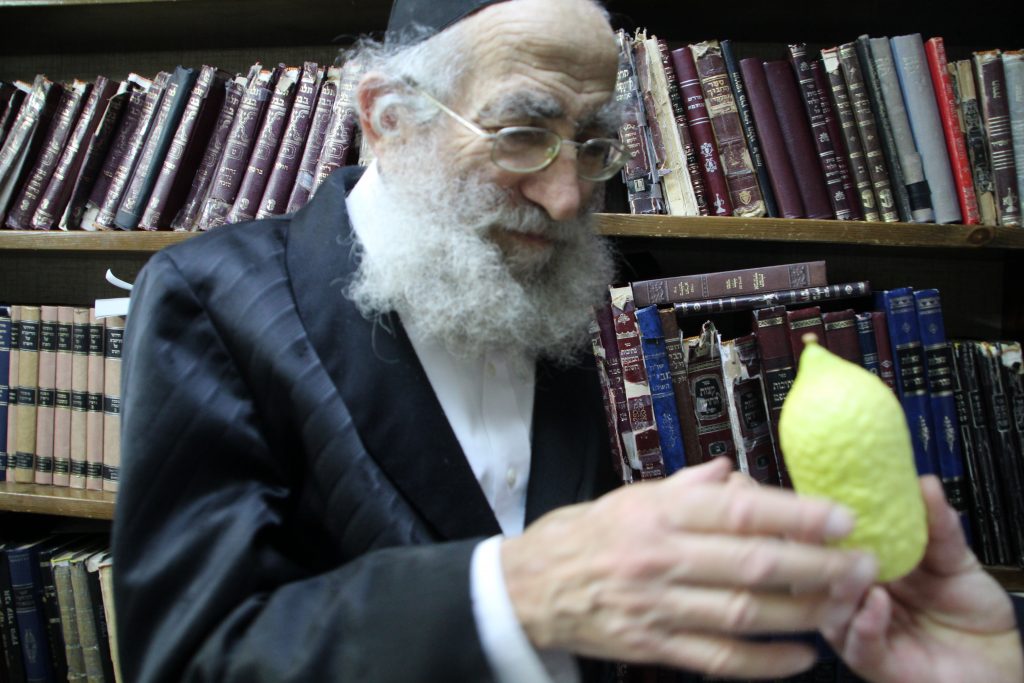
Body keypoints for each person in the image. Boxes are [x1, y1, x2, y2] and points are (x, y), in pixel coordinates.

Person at [111, 0, 1024, 681]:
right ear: (388, 117)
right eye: (522, 133)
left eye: (592, 144)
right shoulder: (210, 297)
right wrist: (517, 590)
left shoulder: (542, 276)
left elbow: (608, 622)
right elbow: (193, 655)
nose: (567, 197)